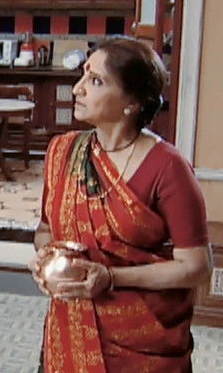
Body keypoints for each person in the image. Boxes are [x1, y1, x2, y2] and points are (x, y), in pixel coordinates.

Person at [29, 36, 211, 372]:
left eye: (96, 81)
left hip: (140, 342)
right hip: (70, 329)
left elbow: (196, 267)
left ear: (132, 102)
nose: (78, 89)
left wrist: (111, 277)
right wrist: (47, 259)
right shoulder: (63, 152)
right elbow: (45, 230)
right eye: (83, 75)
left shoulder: (168, 168)